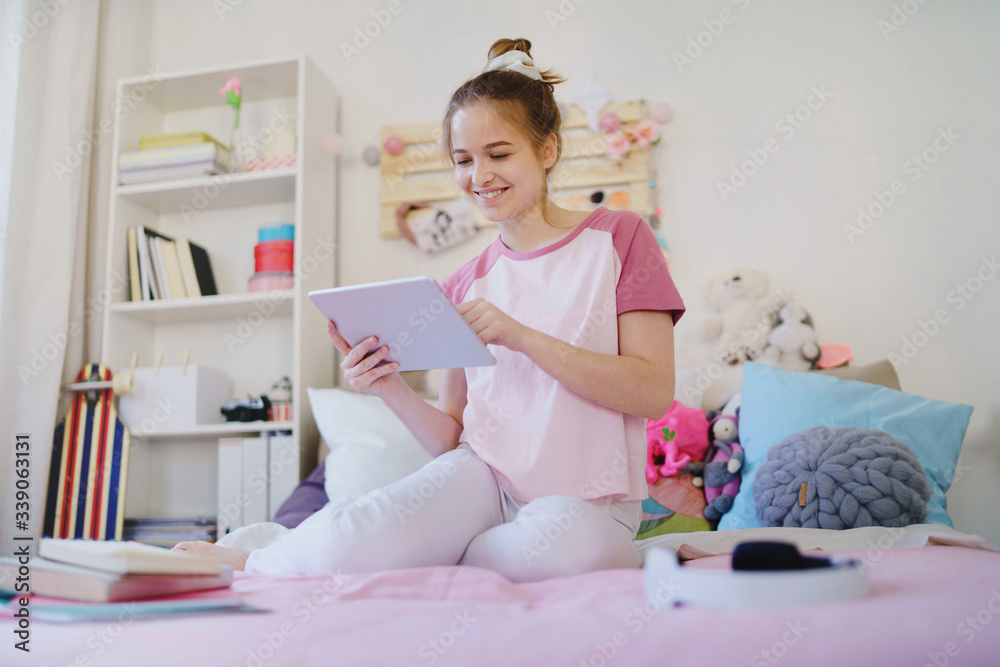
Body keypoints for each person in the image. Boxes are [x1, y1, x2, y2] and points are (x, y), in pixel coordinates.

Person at [173, 38, 685, 582]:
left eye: (499, 153)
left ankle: (417, 555)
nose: (479, 175)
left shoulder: (620, 238)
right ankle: (259, 560)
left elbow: (652, 391)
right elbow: (452, 437)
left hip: (591, 506)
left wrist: (522, 336)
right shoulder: (464, 283)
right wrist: (387, 387)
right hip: (481, 482)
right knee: (370, 526)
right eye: (463, 160)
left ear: (548, 150)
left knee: (572, 549)